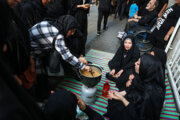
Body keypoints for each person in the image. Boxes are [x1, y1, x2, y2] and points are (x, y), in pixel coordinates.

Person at [105, 54, 165, 120]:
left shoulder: (151, 94)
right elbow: (131, 89)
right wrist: (118, 94)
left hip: (138, 114)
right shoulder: (144, 76)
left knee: (119, 112)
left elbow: (139, 117)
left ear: (145, 68)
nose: (135, 63)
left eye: (138, 64)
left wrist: (122, 99)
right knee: (113, 102)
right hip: (136, 100)